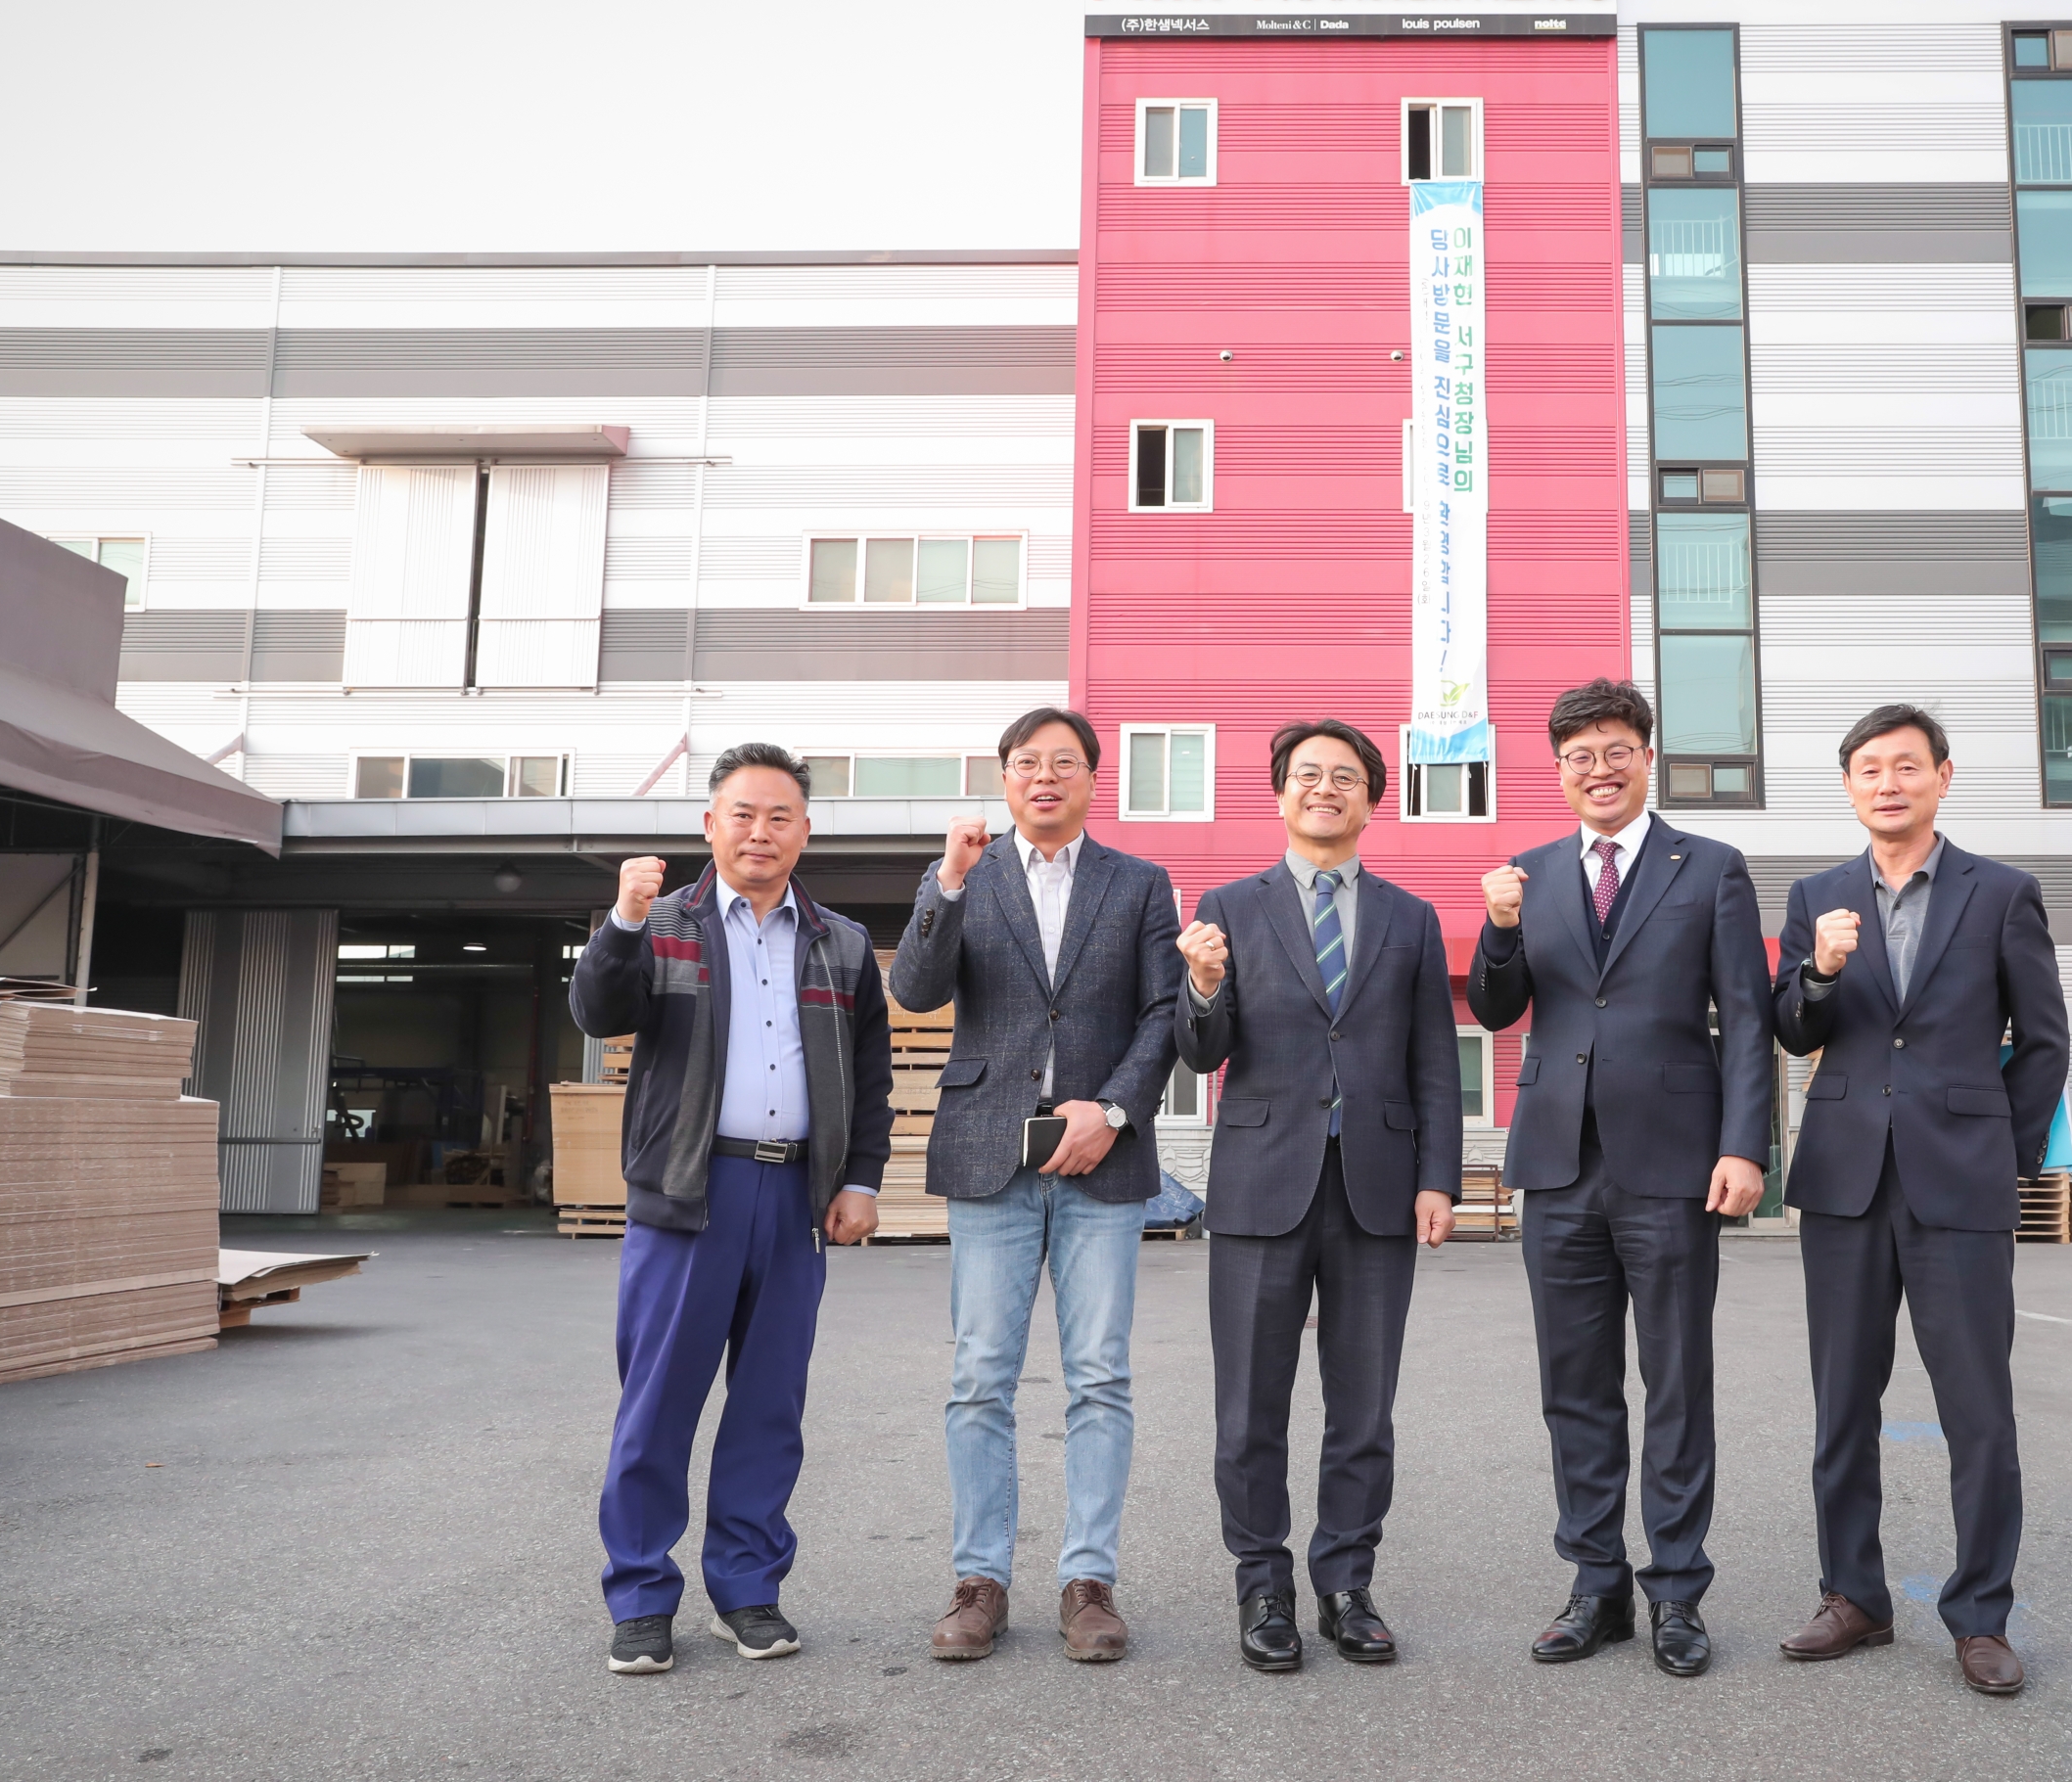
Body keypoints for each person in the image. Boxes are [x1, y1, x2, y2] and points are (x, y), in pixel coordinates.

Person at [1467, 679, 1773, 1678]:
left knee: (1676, 1381)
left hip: (1675, 1163)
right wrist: (1500, 927)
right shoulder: (1532, 873)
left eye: (1614, 751)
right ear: (1559, 771)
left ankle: (1676, 1589)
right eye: (1577, 757)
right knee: (1576, 1386)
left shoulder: (1711, 867)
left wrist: (1744, 1146)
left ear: (1646, 756)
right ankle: (1595, 1583)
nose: (1597, 770)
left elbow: (1746, 1018)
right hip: (1558, 1164)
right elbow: (1499, 1009)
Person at [570, 742, 895, 1676]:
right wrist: (622, 921)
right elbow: (598, 1012)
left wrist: (861, 1178)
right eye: (743, 815)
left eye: (779, 816)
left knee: (768, 1406)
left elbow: (870, 1072)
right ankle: (641, 1597)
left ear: (805, 832)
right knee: (658, 1402)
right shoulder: (663, 923)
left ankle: (747, 1590)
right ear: (710, 825)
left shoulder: (837, 942)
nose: (760, 831)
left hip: (794, 1197)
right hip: (688, 1192)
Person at [1770, 704, 2068, 1698]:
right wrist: (1819, 970)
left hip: (1960, 1183)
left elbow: (2045, 1040)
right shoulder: (1816, 897)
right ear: (1848, 787)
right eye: (1869, 769)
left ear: (1944, 775)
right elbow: (1792, 1028)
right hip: (1845, 1180)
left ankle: (1980, 1614)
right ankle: (1853, 1597)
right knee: (1841, 1404)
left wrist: (1999, 1155)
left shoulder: (2003, 893)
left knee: (1978, 1410)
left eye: (1906, 766)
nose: (1887, 783)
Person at [889, 708, 1181, 1665]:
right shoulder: (968, 876)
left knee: (1099, 1376)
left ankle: (1088, 1583)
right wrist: (947, 883)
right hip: (989, 1153)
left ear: (1093, 778)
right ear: (1006, 778)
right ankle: (980, 1581)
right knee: (980, 1377)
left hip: (1103, 1158)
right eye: (1026, 763)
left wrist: (1116, 1110)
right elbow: (916, 991)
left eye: (1063, 762)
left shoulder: (1138, 884)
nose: (1044, 776)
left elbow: (1164, 1013)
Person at [1174, 719, 1463, 1673]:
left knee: (1364, 1407)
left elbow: (1434, 1060)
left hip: (1378, 1187)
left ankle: (1346, 1582)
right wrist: (1203, 986)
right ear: (1280, 794)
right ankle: (1263, 1584)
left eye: (1345, 776)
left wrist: (1437, 1178)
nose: (1325, 788)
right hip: (1262, 1183)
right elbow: (1202, 1052)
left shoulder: (1411, 918)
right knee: (1250, 1406)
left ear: (1371, 801)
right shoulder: (1229, 906)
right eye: (1308, 774)